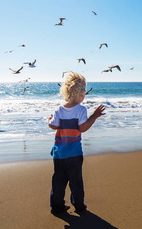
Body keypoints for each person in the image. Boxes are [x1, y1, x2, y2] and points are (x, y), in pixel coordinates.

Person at [48, 71, 105, 215]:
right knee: (76, 181)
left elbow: (53, 125)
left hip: (59, 153)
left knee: (59, 180)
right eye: (84, 93)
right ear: (80, 94)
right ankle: (79, 206)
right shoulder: (81, 109)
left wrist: (49, 120)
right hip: (74, 153)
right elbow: (83, 128)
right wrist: (94, 116)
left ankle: (57, 206)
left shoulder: (59, 109)